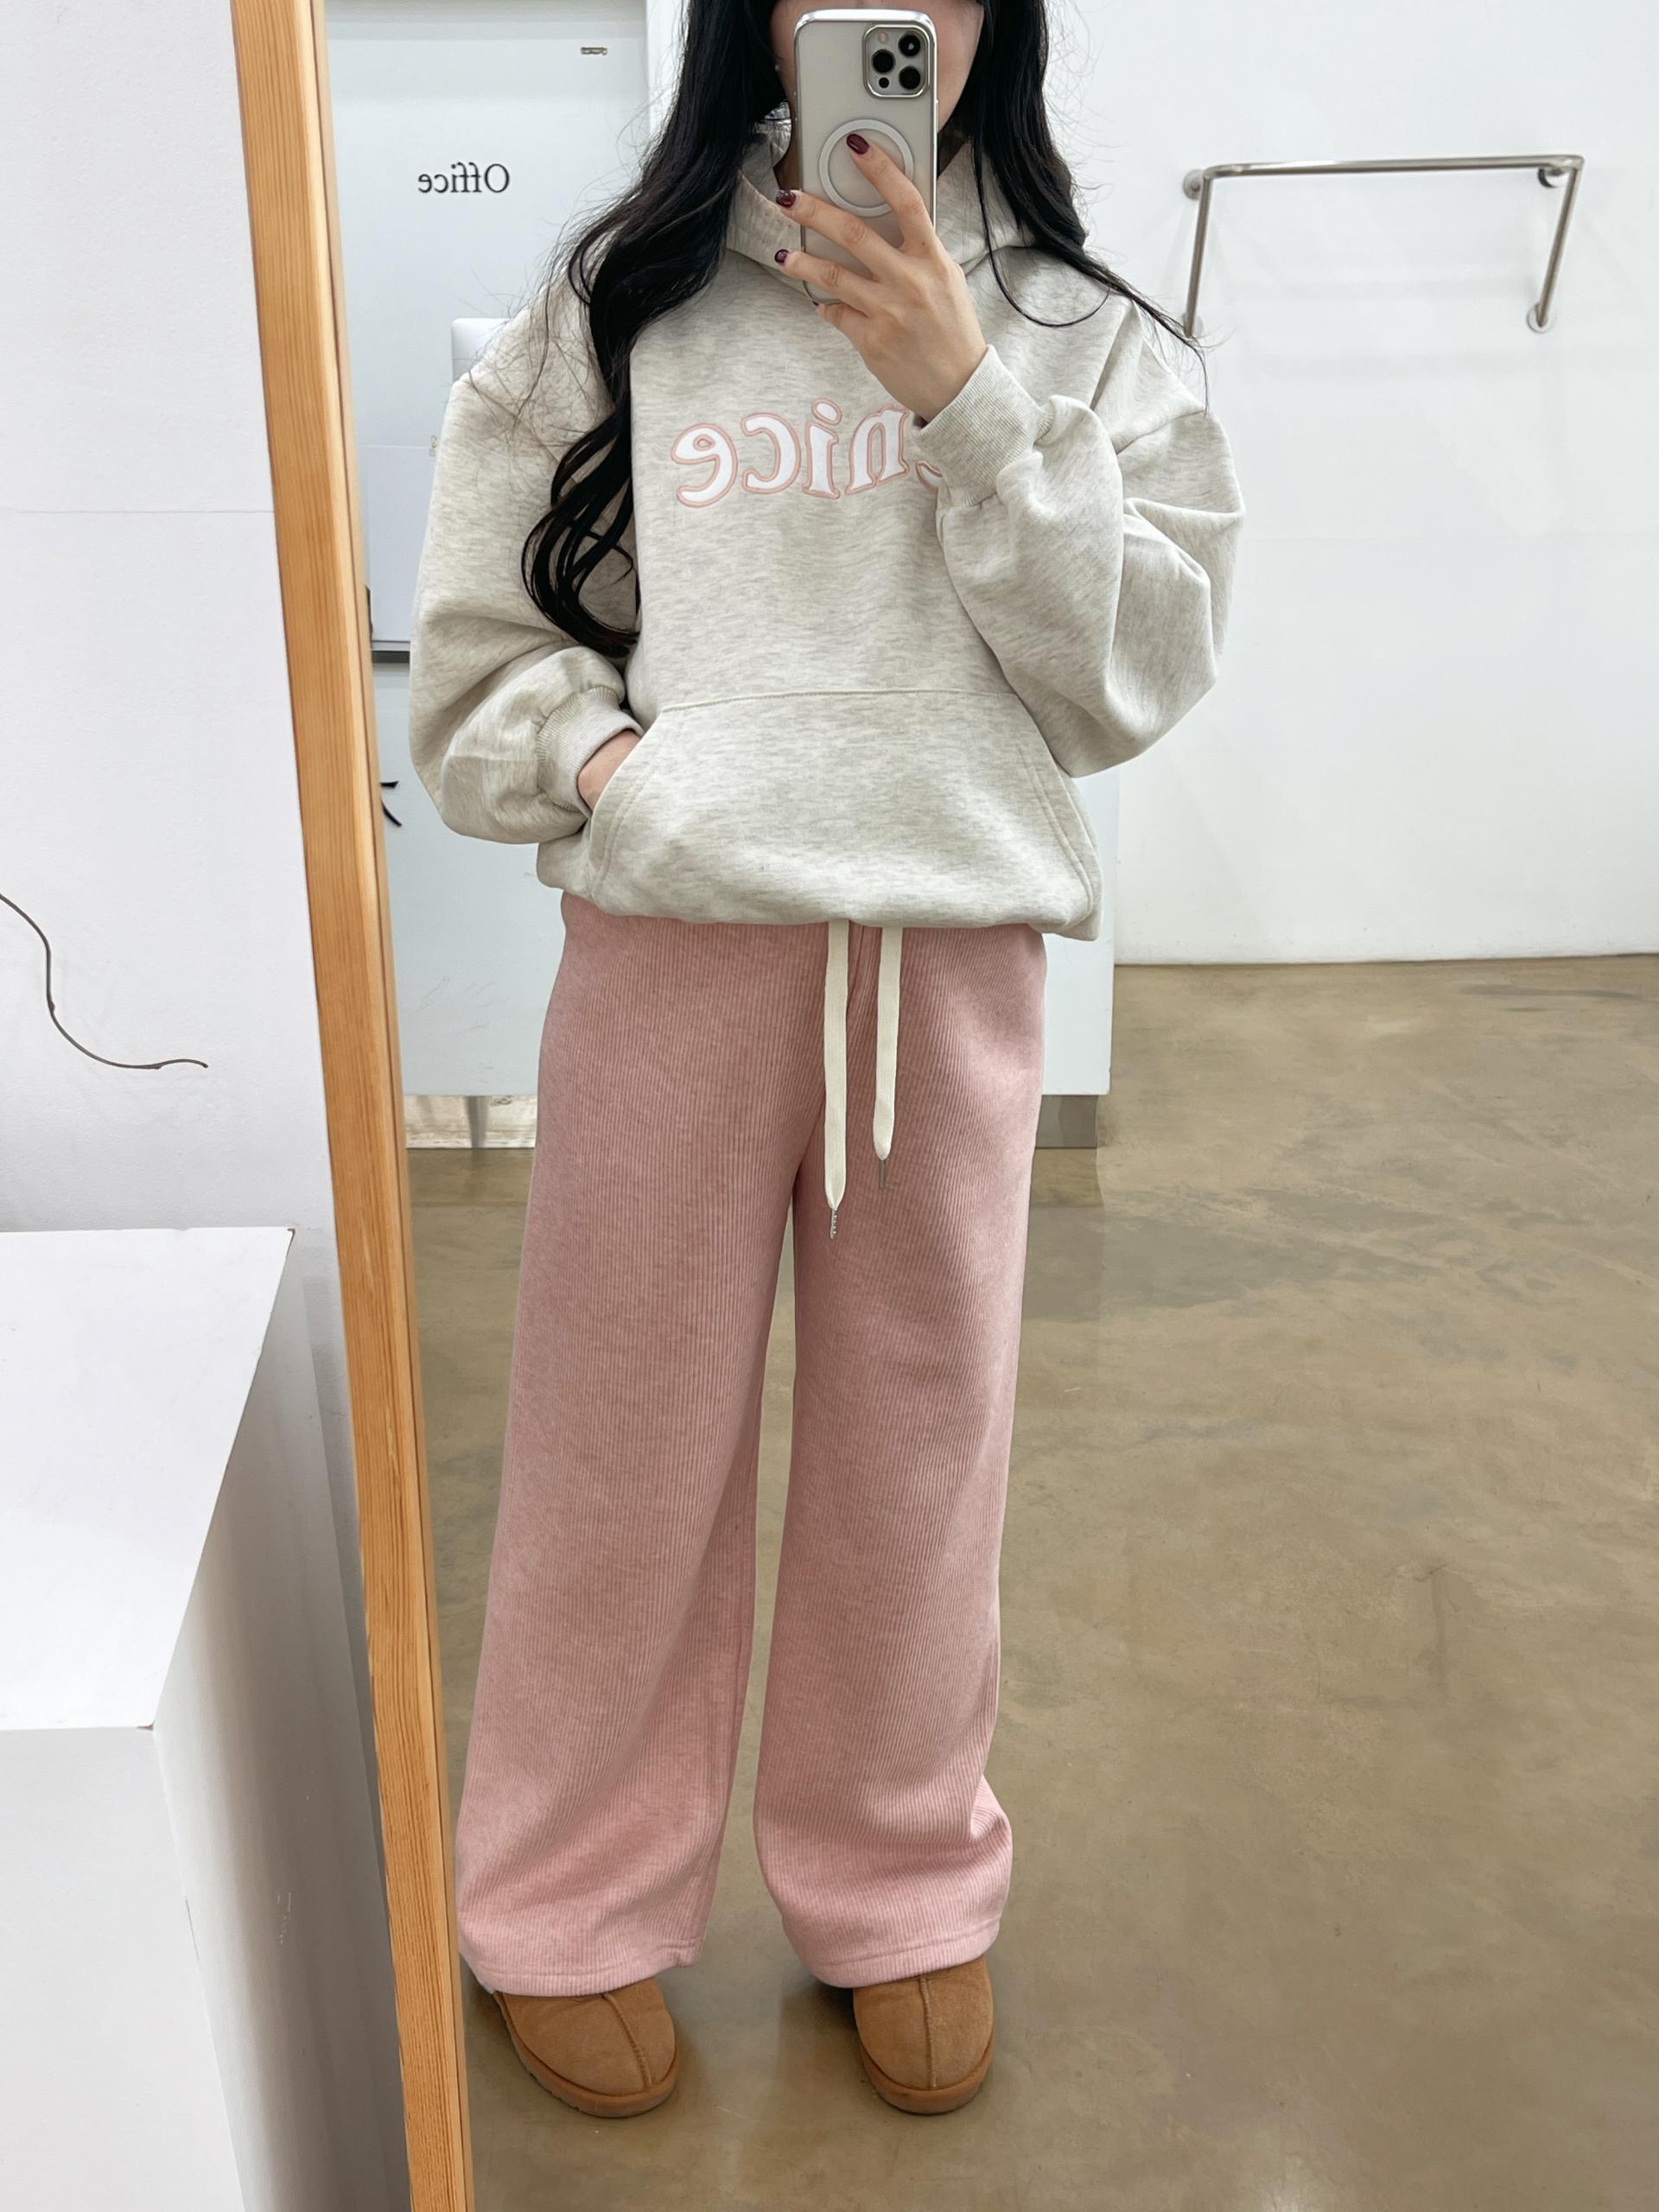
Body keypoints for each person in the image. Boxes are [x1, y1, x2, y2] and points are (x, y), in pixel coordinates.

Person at [406, 0, 1244, 2121]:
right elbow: (487, 654)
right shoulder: (622, 304)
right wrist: (617, 775)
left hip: (942, 960)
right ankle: (563, 1892)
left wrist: (967, 397)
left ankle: (900, 1879)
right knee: (612, 1447)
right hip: (673, 950)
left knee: (919, 1452)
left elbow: (1134, 674)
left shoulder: (1078, 330)